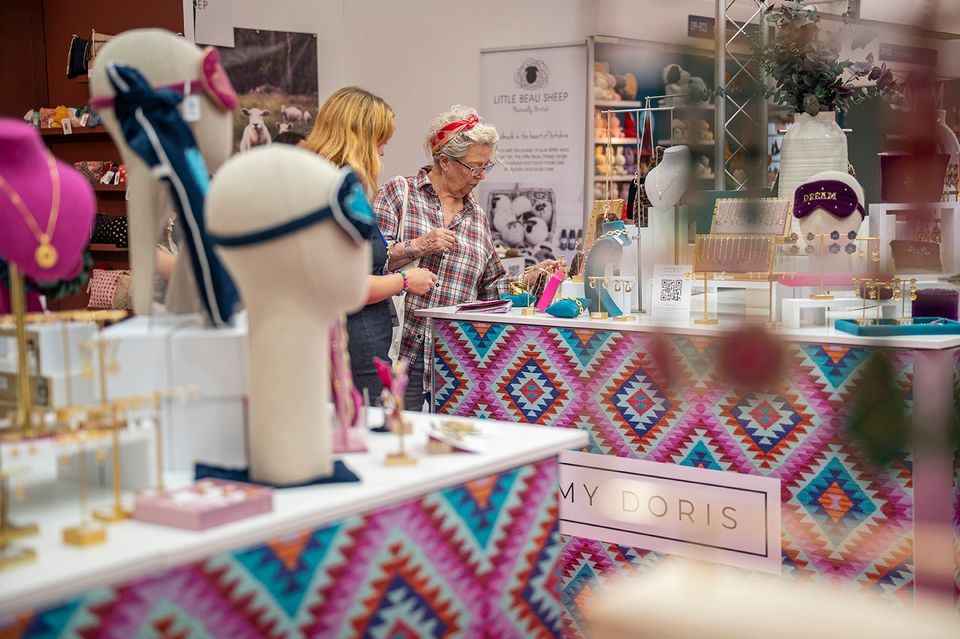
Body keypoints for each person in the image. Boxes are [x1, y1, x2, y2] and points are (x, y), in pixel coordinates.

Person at [375, 105, 556, 410]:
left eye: (486, 167)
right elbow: (370, 263)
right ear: (445, 161)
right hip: (401, 355)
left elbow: (490, 289)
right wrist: (418, 246)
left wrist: (529, 279)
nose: (481, 176)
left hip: (458, 361)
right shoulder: (400, 193)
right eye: (474, 167)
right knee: (399, 436)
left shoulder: (477, 217)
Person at [305, 87, 437, 402]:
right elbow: (344, 285)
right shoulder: (338, 194)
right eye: (380, 142)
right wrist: (405, 280)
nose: (382, 152)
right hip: (355, 341)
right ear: (357, 139)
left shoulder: (322, 186)